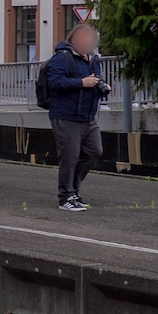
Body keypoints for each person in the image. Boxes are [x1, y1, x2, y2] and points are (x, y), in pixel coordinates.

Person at [46, 23, 107, 211]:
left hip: (88, 116)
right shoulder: (62, 58)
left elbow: (95, 80)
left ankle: (73, 189)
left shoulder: (93, 59)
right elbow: (54, 82)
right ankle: (65, 197)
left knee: (94, 151)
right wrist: (82, 82)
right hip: (66, 115)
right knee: (69, 157)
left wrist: (101, 86)